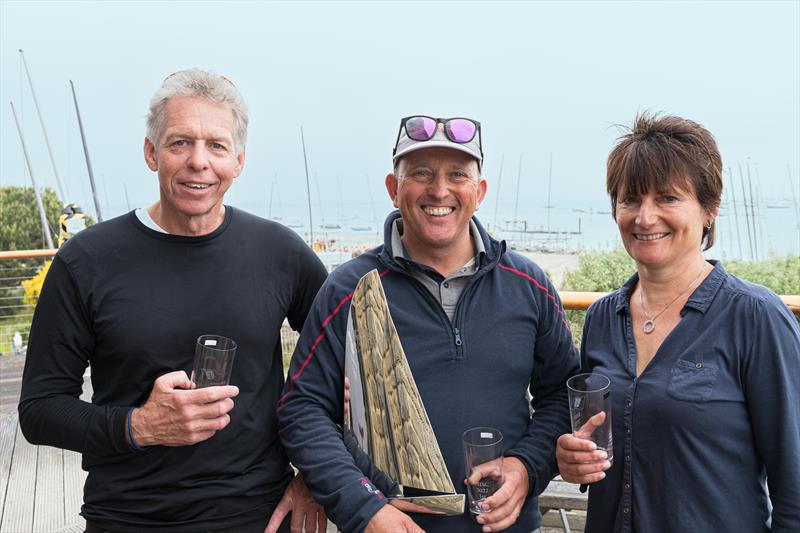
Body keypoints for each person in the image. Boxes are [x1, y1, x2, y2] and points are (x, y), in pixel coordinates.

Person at [19, 69, 329, 533]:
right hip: (128, 517)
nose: (198, 162)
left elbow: (348, 371)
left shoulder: (281, 254)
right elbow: (39, 411)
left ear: (238, 160)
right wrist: (139, 426)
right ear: (151, 152)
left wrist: (315, 477)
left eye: (216, 146)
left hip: (259, 515)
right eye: (180, 142)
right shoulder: (86, 261)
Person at [277, 115, 580, 533]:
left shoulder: (528, 285)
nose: (440, 190)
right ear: (393, 188)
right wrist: (364, 508)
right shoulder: (349, 289)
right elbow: (302, 409)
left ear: (480, 191)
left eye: (458, 174)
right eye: (421, 173)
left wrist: (527, 467)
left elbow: (562, 398)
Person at [555, 113, 800, 532]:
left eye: (668, 198)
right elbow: (591, 442)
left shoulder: (754, 316)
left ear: (709, 209)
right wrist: (569, 459)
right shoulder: (601, 318)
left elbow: (794, 479)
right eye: (630, 199)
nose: (644, 218)